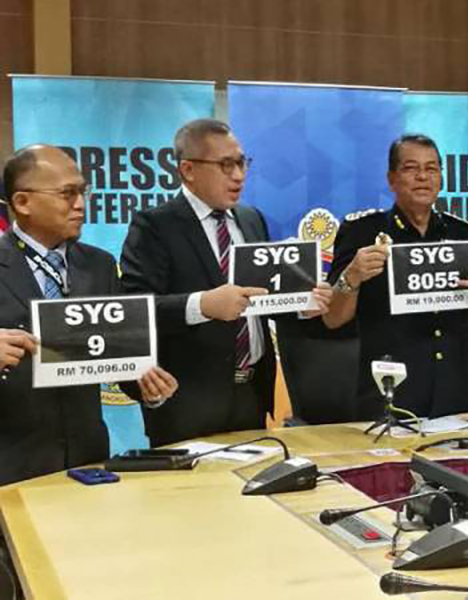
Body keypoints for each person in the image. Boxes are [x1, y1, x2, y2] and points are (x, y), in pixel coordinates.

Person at [120, 119, 331, 446]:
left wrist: (303, 304)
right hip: (188, 403)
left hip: (252, 395)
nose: (239, 175)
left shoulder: (251, 219)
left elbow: (262, 297)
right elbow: (135, 309)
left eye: (242, 163)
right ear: (188, 170)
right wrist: (202, 305)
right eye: (226, 165)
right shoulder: (154, 226)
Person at [0, 145, 177, 485]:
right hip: (11, 467)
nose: (81, 204)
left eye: (83, 191)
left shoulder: (99, 265)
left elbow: (116, 360)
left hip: (87, 463)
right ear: (22, 202)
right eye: (67, 194)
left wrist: (147, 386)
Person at [323, 134, 468, 420]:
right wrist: (352, 276)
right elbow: (332, 319)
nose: (422, 177)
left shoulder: (459, 231)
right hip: (392, 396)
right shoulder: (362, 232)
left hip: (456, 394)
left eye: (431, 169)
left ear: (441, 177)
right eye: (410, 168)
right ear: (391, 179)